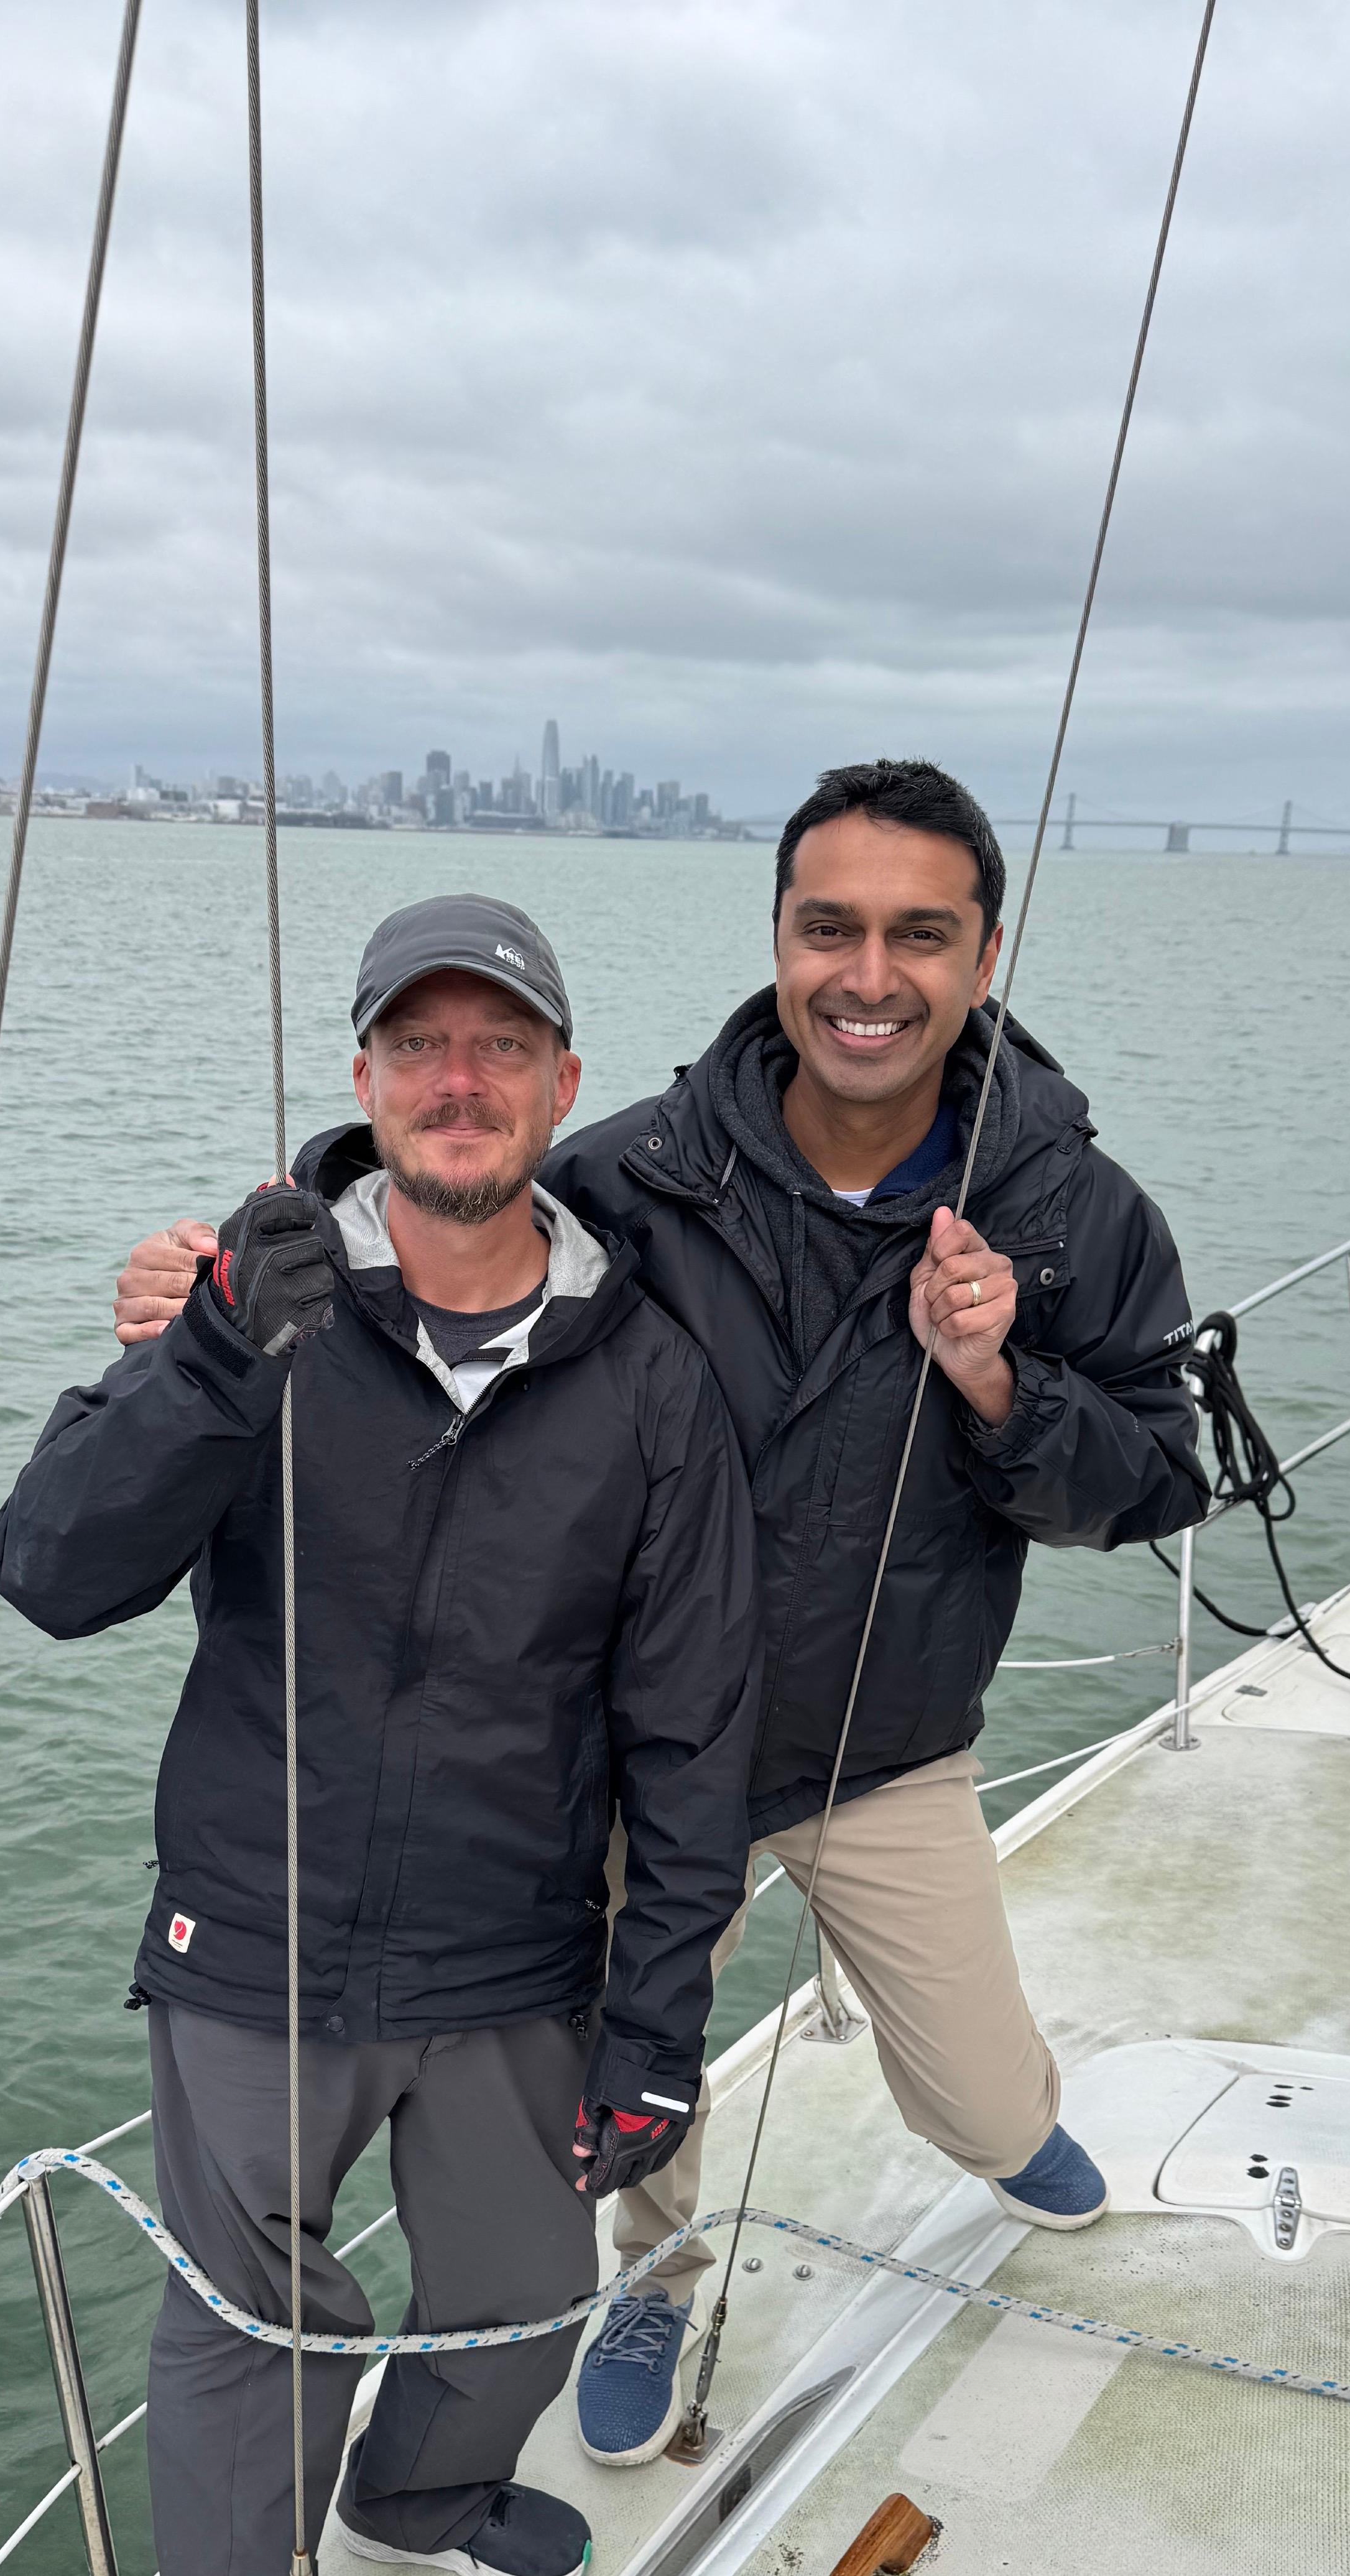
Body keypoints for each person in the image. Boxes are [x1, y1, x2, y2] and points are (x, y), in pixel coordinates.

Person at [110, 761, 1209, 2469]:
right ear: (775, 939)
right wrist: (202, 1304)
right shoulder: (628, 1175)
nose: (868, 975)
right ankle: (658, 2276)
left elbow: (1155, 1475)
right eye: (829, 927)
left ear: (984, 956)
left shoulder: (1073, 1213)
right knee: (638, 2079)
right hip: (626, 1752)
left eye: (920, 934)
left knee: (988, 2095)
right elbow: (432, 1246)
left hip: (883, 1740)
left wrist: (1003, 1382)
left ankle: (1007, 2135)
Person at [0, 893, 760, 2576]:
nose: (458, 1079)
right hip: (255, 1932)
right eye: (420, 1042)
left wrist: (658, 2015)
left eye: (500, 1045)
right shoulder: (242, 1307)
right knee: (262, 2318)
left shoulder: (651, 1380)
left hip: (511, 1943)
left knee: (525, 2284)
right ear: (363, 1077)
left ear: (564, 1085)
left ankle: (419, 2493)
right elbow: (52, 1570)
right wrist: (203, 1363)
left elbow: (688, 1732)